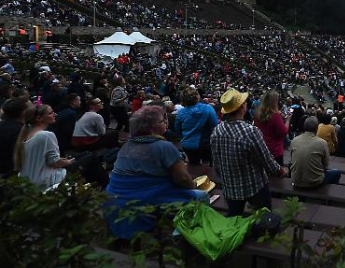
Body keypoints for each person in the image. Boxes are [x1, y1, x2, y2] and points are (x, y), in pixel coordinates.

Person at [105, 106, 208, 239]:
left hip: (115, 198)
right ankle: (182, 236)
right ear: (151, 127)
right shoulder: (164, 146)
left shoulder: (127, 145)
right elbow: (183, 179)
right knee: (202, 196)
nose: (165, 122)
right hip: (142, 200)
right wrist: (193, 185)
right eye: (161, 121)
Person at [210, 88, 288, 217]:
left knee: (235, 219)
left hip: (230, 187)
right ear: (242, 107)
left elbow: (217, 164)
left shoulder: (216, 131)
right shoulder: (250, 132)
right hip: (254, 187)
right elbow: (267, 160)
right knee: (264, 218)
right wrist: (281, 171)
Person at [13, 105, 74, 188]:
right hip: (44, 181)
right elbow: (54, 162)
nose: (55, 114)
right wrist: (68, 162)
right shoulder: (46, 135)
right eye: (50, 113)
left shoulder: (26, 136)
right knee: (89, 158)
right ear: (39, 118)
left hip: (28, 182)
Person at [290, 116, 341, 188]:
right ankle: (328, 196)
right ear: (316, 128)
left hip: (296, 181)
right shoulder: (322, 143)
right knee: (337, 173)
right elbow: (326, 165)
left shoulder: (294, 141)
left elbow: (292, 160)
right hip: (314, 182)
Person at [174, 87, 219, 165]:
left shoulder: (181, 112)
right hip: (205, 145)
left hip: (188, 145)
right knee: (208, 167)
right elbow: (215, 126)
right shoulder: (208, 108)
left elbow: (177, 130)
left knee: (194, 167)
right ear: (197, 96)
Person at [253, 90, 290, 166]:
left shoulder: (257, 113)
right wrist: (287, 121)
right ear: (275, 102)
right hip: (275, 152)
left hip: (262, 149)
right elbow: (283, 132)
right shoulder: (275, 116)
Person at [0, 97, 32, 177]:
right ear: (23, 113)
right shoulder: (20, 131)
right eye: (31, 107)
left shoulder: (2, 125)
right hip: (11, 177)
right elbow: (21, 158)